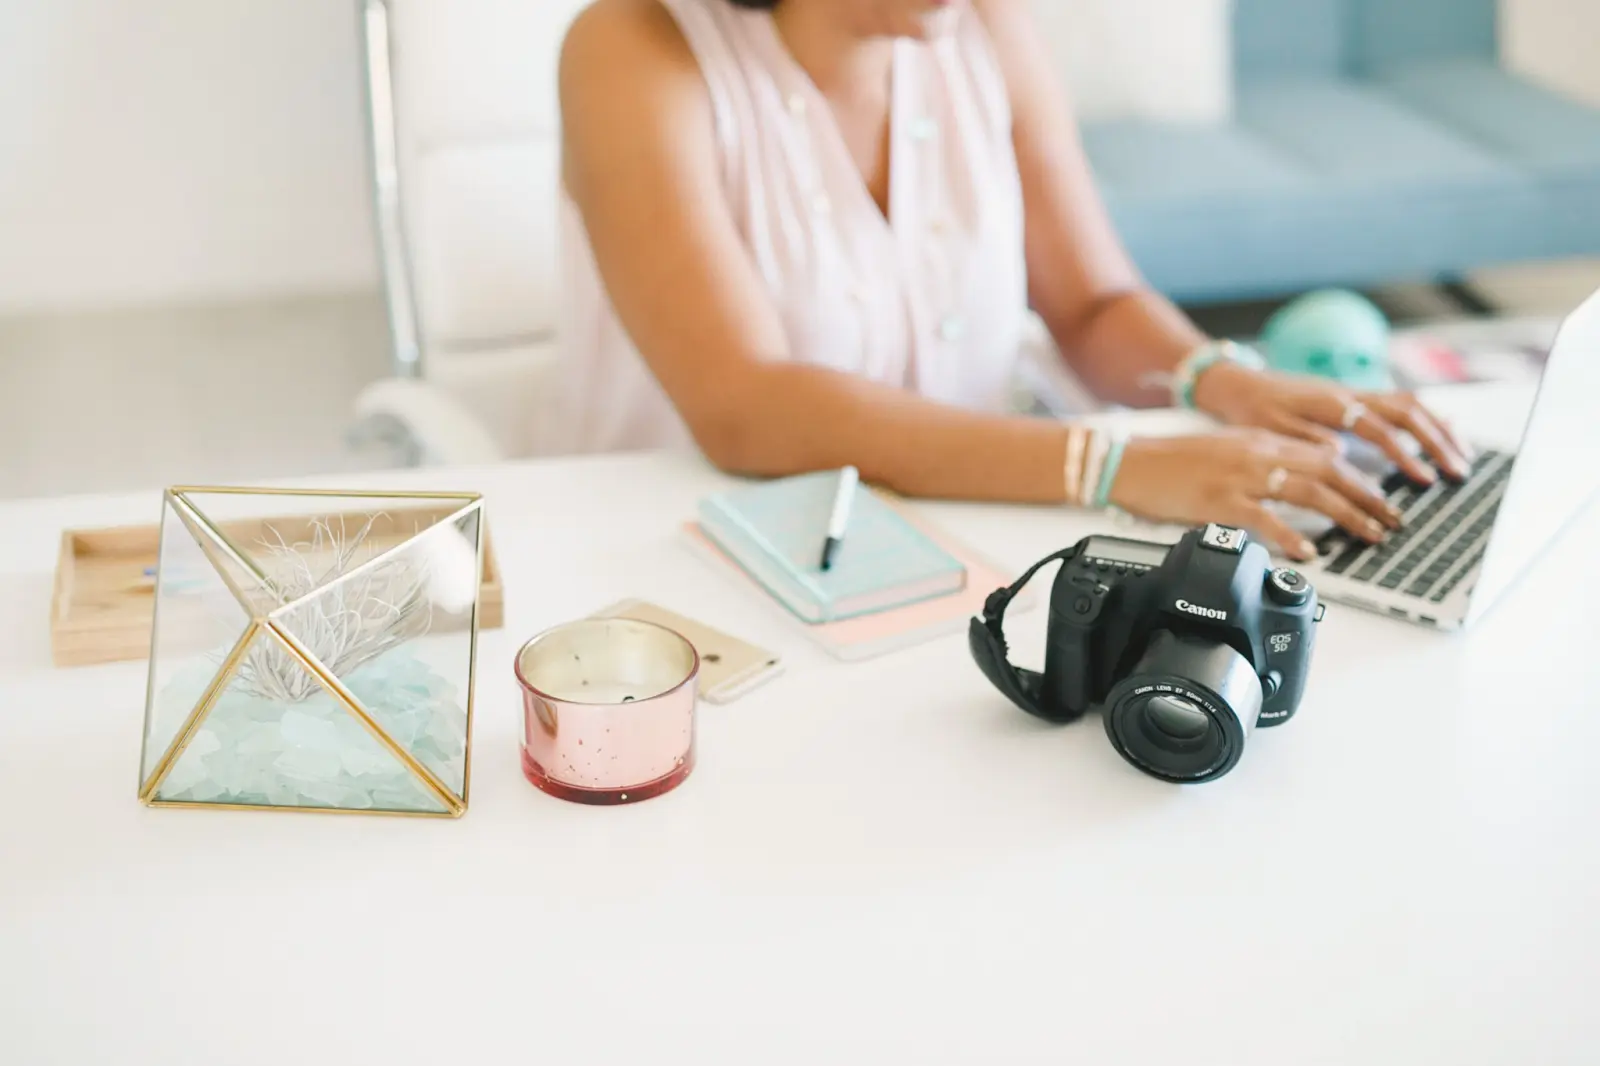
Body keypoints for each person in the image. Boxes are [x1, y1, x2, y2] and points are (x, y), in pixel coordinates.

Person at [554, 0, 1473, 560]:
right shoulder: (632, 49)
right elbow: (744, 406)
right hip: (691, 558)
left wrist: (1228, 381)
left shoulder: (984, 23)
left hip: (966, 536)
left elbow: (1090, 303)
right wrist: (1112, 465)